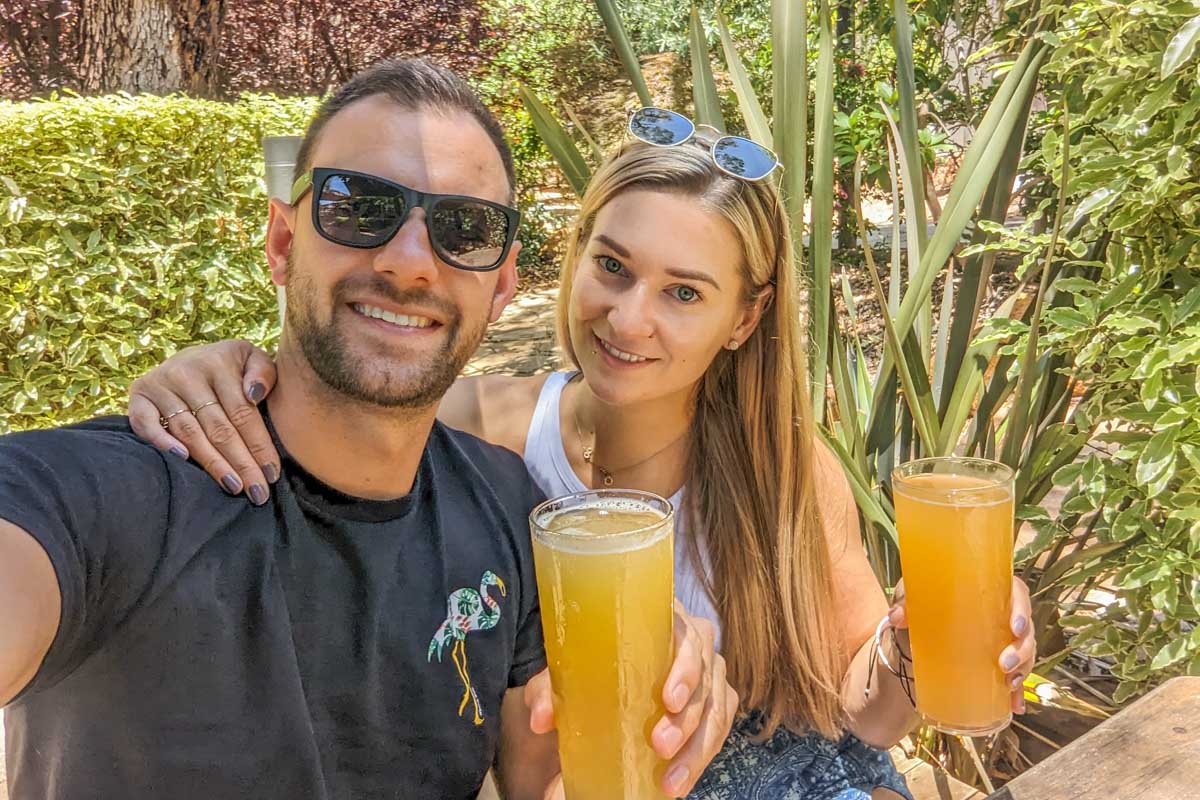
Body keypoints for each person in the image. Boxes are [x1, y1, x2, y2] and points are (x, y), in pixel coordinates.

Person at [128, 111, 1038, 799]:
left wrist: (914, 648)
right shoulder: (481, 431)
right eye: (613, 266)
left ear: (745, 319)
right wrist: (209, 372)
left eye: (685, 293)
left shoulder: (783, 471)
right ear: (573, 258)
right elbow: (331, 402)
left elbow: (862, 710)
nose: (629, 318)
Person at [0, 59, 733, 800]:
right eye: (358, 208)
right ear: (282, 242)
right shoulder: (108, 494)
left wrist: (660, 686)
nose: (410, 263)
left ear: (503, 284)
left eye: (463, 229)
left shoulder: (507, 508)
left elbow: (545, 778)